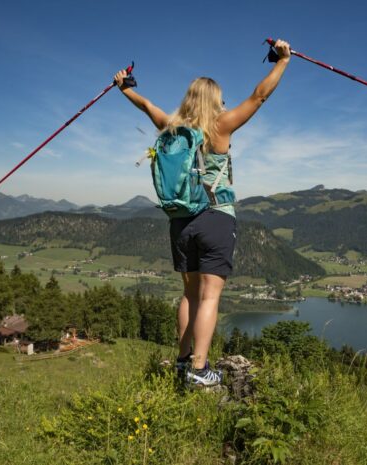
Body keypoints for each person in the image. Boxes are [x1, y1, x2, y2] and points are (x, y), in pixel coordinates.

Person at [114, 39, 291, 387]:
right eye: (221, 100)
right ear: (215, 101)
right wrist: (283, 61)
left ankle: (182, 362)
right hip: (215, 218)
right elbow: (259, 96)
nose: (225, 104)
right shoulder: (220, 127)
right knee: (210, 296)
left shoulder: (171, 126)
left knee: (189, 295)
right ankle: (199, 368)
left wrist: (124, 87)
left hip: (179, 222)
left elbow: (146, 105)